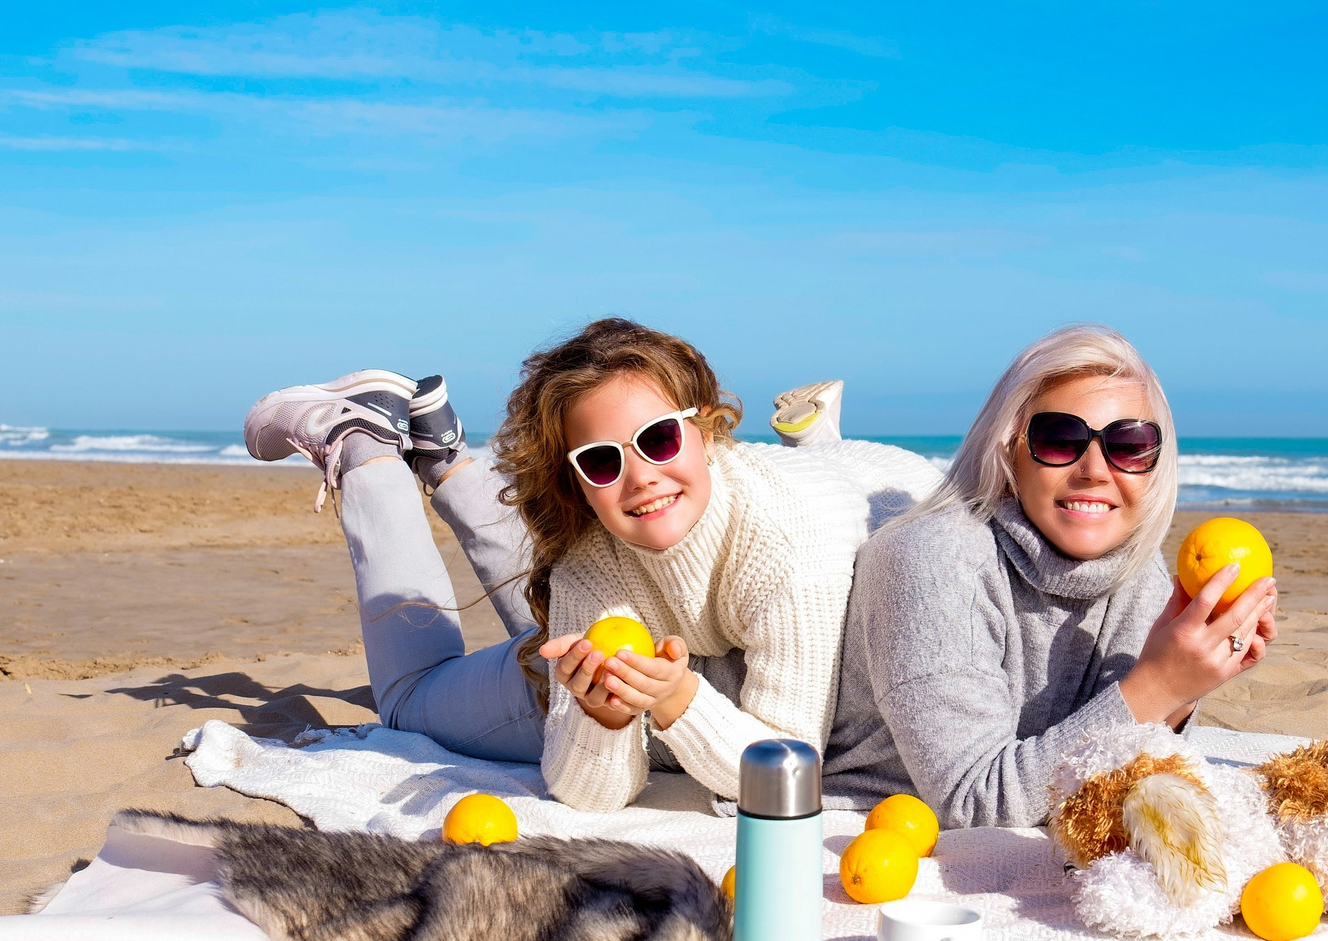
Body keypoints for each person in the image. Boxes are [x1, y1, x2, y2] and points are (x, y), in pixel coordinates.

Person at [241, 319, 934, 813]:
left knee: (427, 688)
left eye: (659, 438)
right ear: (573, 478)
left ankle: (424, 451)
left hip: (834, 507)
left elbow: (786, 768)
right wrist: (601, 720)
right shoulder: (591, 563)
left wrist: (672, 699)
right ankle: (372, 445)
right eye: (601, 460)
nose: (640, 477)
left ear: (710, 428)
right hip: (686, 576)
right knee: (412, 698)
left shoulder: (785, 541)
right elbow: (585, 793)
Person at [823, 325, 1276, 827]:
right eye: (1060, 439)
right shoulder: (931, 560)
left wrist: (1191, 679)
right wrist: (1161, 682)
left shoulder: (1135, 565)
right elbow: (976, 804)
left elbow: (1125, 754)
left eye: (1129, 445)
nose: (1096, 470)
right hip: (876, 822)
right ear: (1009, 449)